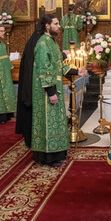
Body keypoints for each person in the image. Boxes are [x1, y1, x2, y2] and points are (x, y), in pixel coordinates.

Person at [29, 14, 87, 166]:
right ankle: (48, 157)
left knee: (56, 122)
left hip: (55, 88)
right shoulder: (42, 44)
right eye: (55, 23)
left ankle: (57, 154)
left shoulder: (53, 42)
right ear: (47, 26)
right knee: (49, 123)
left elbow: (58, 65)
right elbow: (44, 69)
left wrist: (77, 71)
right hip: (46, 91)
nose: (59, 26)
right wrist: (50, 92)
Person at [15, 24, 40, 148]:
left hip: (30, 83)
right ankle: (31, 139)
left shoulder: (34, 41)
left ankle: (30, 137)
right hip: (31, 85)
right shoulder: (38, 43)